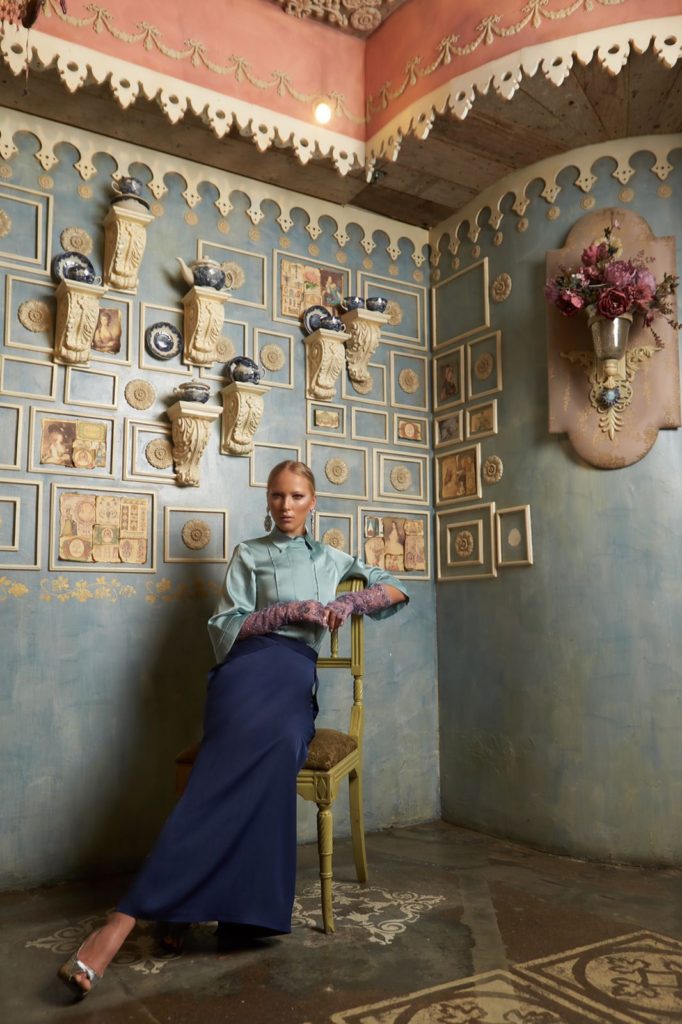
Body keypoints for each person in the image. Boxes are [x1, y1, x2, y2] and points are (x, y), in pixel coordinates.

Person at [58, 460, 408, 999]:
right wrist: (287, 611)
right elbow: (225, 625)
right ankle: (121, 923)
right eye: (277, 496)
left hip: (293, 677)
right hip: (245, 672)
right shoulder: (250, 553)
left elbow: (395, 589)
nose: (286, 505)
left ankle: (182, 909)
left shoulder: (332, 558)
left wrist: (346, 602)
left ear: (313, 502)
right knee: (223, 769)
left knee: (282, 745)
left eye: (296, 496)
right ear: (268, 500)